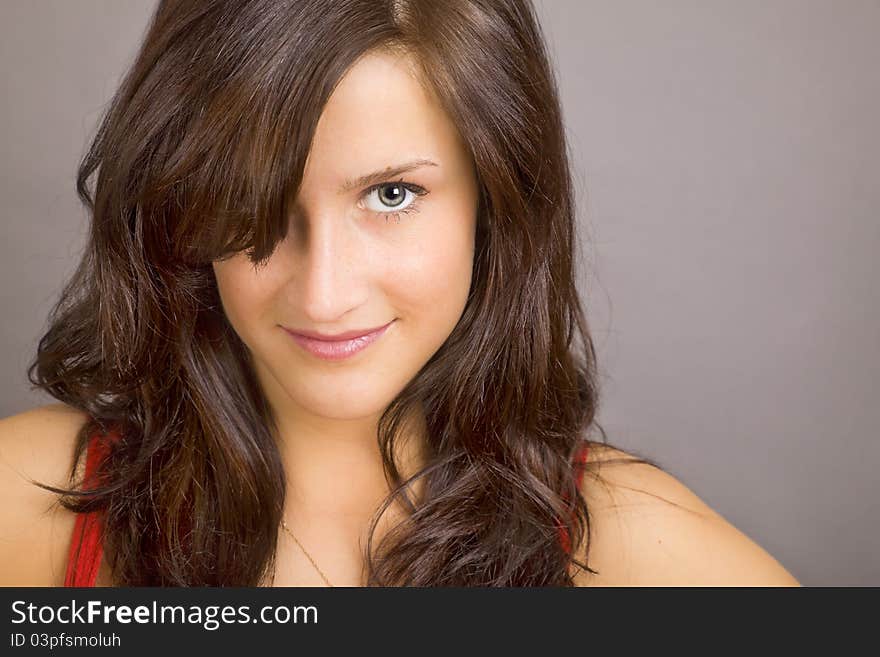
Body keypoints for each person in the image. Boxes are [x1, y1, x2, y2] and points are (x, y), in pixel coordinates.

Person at [0, 0, 799, 587]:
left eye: (390, 195)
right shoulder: (34, 500)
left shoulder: (633, 551)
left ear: (496, 201)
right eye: (254, 199)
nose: (324, 291)